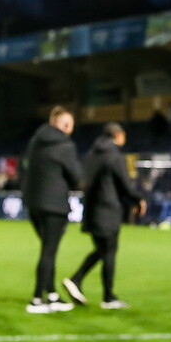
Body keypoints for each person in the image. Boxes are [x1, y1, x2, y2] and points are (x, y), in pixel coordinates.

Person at [62, 123, 146, 310]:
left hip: (91, 209)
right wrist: (138, 200)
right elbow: (124, 184)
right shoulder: (114, 156)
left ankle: (77, 280)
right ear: (117, 135)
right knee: (108, 251)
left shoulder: (91, 155)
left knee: (102, 249)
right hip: (108, 210)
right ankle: (108, 296)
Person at [22, 106, 82, 314]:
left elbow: (25, 166)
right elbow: (76, 177)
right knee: (49, 251)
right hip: (54, 204)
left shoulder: (35, 141)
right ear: (65, 125)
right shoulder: (65, 145)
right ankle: (37, 299)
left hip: (33, 203)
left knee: (48, 250)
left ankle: (52, 294)